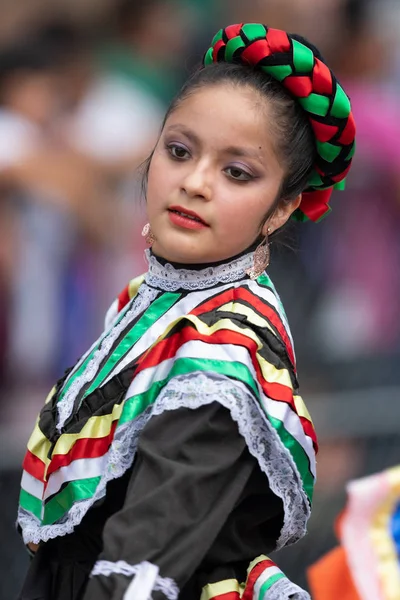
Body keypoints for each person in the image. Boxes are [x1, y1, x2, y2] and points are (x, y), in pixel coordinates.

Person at [16, 22, 356, 600]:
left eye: (237, 172)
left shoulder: (223, 344)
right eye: (179, 151)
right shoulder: (153, 303)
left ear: (282, 209)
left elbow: (146, 555)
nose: (194, 182)